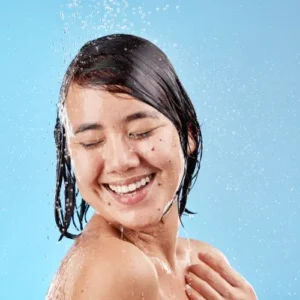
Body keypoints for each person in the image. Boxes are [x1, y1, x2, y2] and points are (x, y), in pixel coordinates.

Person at [46, 34, 257, 300]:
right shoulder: (117, 268)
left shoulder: (202, 266)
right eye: (92, 142)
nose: (120, 161)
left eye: (141, 132)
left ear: (188, 132)